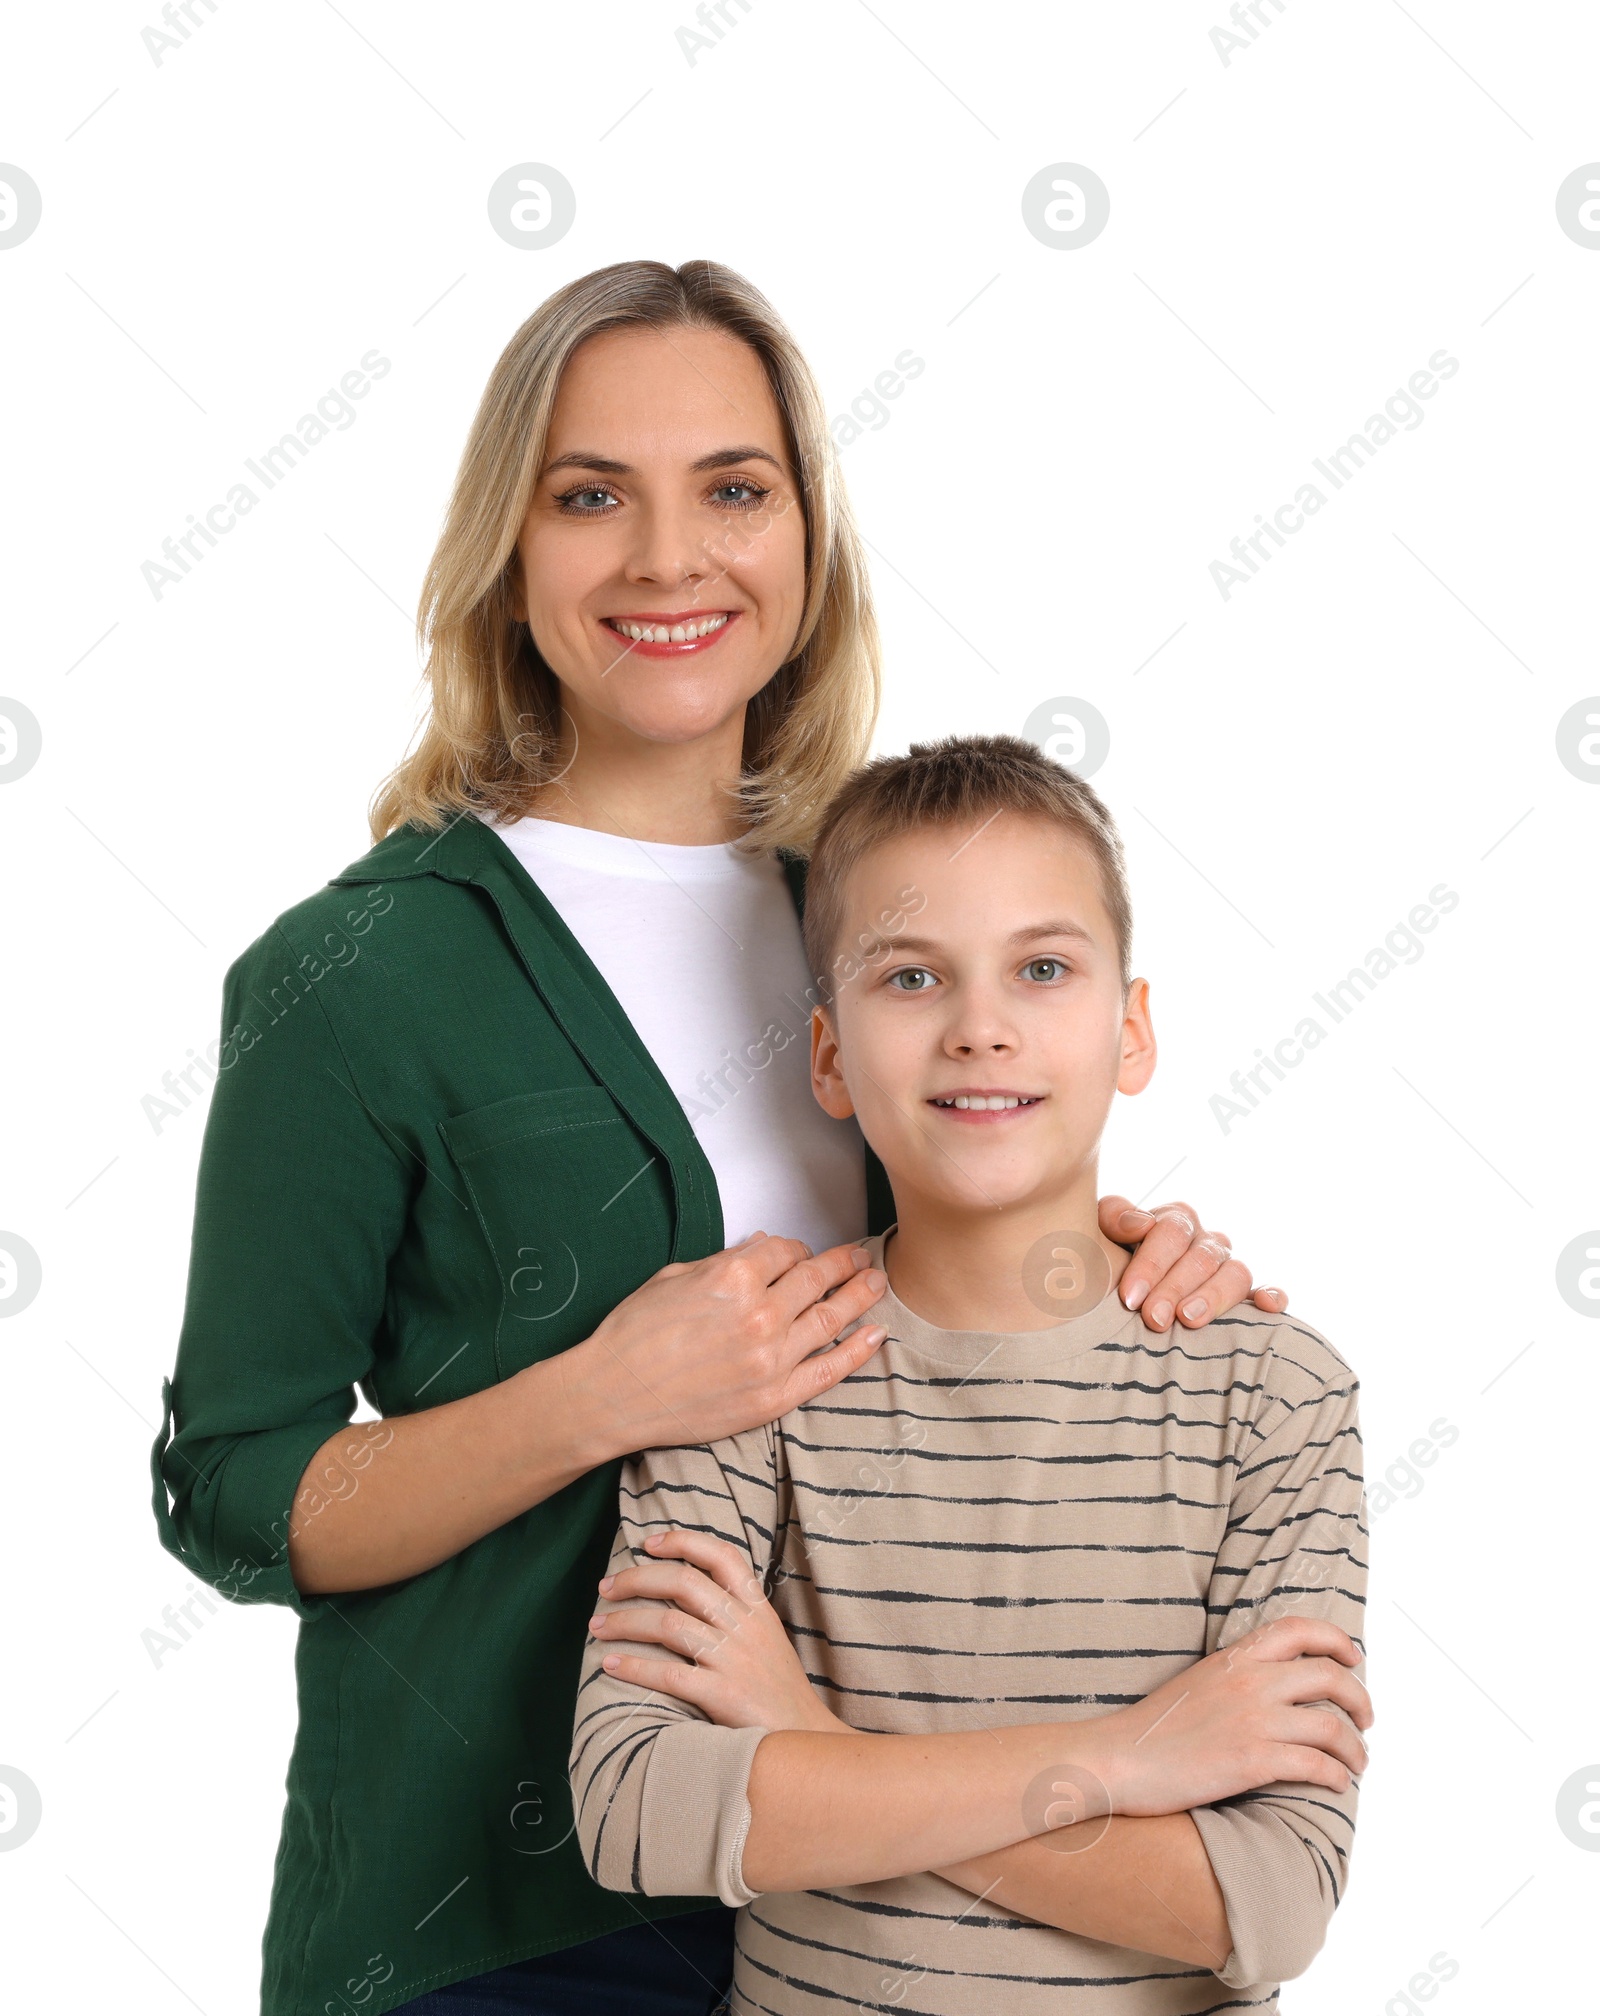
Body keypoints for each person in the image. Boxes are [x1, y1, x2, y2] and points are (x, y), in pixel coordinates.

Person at [150, 261, 1292, 2016]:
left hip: (873, 1898)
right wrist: (604, 1395)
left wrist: (1116, 1257)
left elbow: (946, 1277)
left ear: (808, 541)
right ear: (509, 556)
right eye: (591, 494)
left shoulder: (881, 924)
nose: (669, 559)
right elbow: (231, 1489)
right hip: (497, 1924)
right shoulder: (350, 977)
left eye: (734, 490)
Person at [571, 734, 1369, 2015]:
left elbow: (1266, 1908)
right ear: (828, 1056)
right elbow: (638, 1814)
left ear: (1131, 1028)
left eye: (1041, 969)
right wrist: (1125, 1761)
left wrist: (818, 1757)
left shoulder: (1274, 1398)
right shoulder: (750, 1370)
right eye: (911, 978)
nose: (980, 1030)